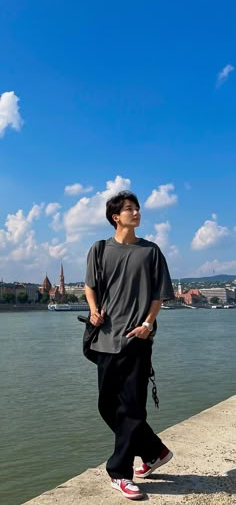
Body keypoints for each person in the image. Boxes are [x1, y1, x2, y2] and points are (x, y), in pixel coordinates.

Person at [85, 190, 175, 500]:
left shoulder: (151, 251)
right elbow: (89, 286)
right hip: (106, 339)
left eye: (137, 208)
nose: (136, 213)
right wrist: (94, 309)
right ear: (115, 217)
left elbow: (159, 294)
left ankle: (119, 472)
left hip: (137, 338)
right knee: (107, 405)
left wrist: (148, 324)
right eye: (129, 209)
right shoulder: (98, 250)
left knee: (133, 409)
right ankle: (154, 452)